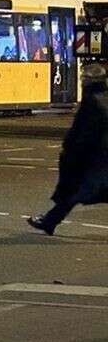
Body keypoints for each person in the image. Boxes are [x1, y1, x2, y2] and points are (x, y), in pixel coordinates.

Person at [27, 63, 108, 235]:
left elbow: (86, 133)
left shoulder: (94, 102)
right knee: (77, 191)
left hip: (93, 159)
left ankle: (49, 221)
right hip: (97, 158)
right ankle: (49, 221)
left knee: (78, 191)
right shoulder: (101, 98)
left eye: (84, 78)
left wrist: (72, 151)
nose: (82, 81)